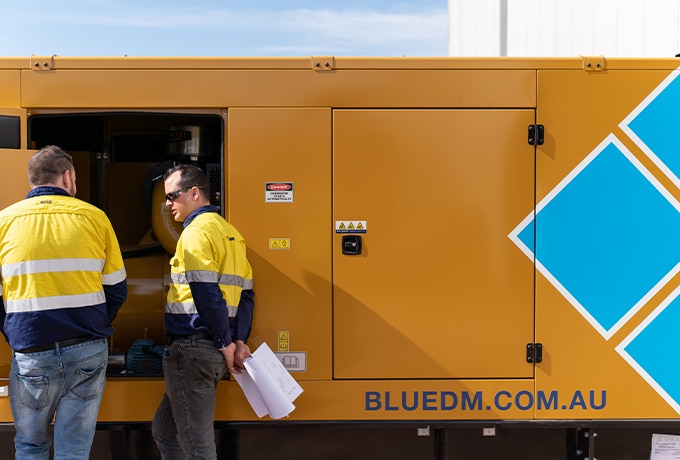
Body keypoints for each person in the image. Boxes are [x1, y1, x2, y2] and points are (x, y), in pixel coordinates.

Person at [0, 145, 128, 459]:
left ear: (32, 180)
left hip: (31, 350)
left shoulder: (4, 222)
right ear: (67, 177)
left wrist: (15, 333)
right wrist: (94, 324)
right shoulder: (94, 218)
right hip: (86, 348)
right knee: (73, 448)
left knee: (31, 445)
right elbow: (117, 289)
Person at [152, 163, 254, 460]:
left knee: (198, 447)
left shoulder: (195, 234)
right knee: (165, 431)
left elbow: (206, 294)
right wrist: (239, 340)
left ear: (194, 193)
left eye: (173, 195)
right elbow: (246, 296)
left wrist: (226, 344)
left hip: (194, 349)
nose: (168, 203)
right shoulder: (231, 234)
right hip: (209, 349)